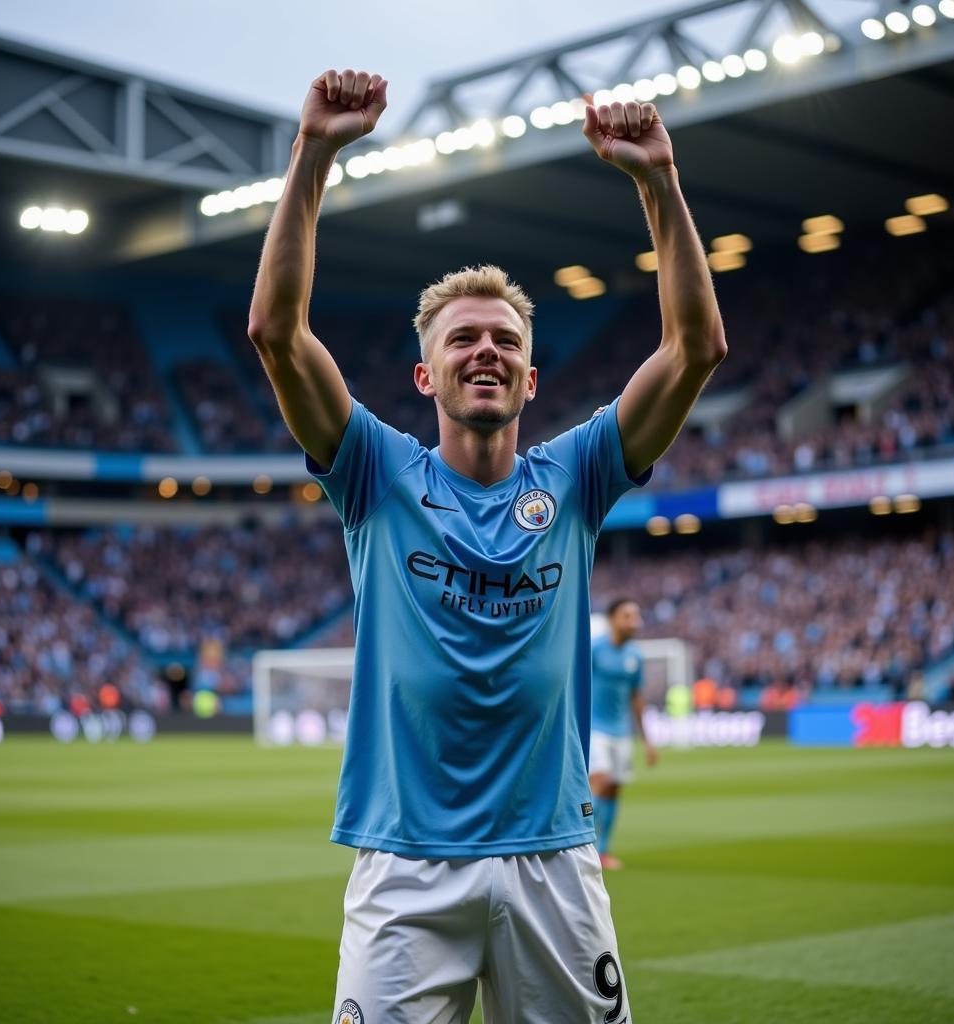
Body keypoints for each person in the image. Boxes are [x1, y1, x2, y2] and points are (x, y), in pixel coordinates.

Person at [248, 66, 726, 1024]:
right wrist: (313, 154)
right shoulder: (375, 472)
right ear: (425, 375)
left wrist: (659, 182)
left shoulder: (578, 474)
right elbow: (276, 330)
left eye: (504, 340)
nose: (485, 351)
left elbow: (695, 349)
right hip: (406, 864)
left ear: (532, 375)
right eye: (463, 339)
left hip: (552, 858)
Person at [589, 598, 658, 871]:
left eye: (636, 615)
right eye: (627, 615)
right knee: (601, 781)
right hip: (595, 729)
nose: (634, 621)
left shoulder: (635, 656)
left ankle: (602, 850)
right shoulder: (594, 650)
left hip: (621, 731)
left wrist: (648, 740)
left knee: (615, 790)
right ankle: (578, 847)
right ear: (612, 619)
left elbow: (637, 698)